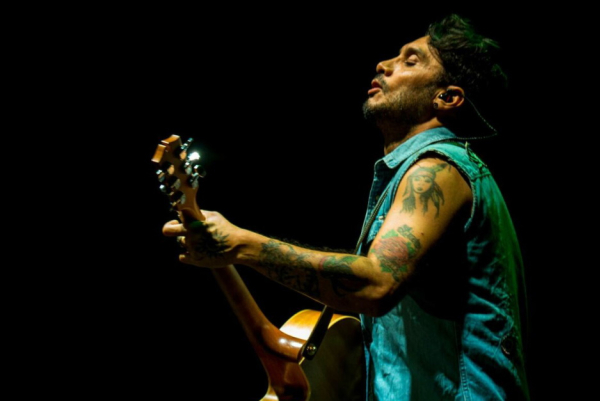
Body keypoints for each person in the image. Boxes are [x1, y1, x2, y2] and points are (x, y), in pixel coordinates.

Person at [163, 14, 529, 400]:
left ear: (448, 98)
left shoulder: (439, 169)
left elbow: (376, 284)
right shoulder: (419, 173)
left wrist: (241, 244)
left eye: (411, 60)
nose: (383, 64)